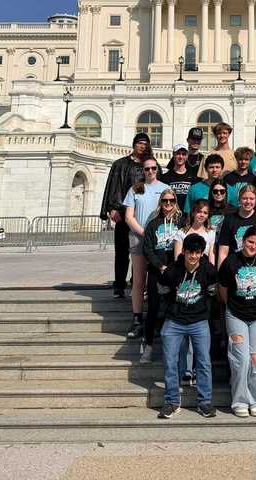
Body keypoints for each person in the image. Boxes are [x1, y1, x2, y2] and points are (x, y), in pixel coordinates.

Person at [218, 226, 256, 417]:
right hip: (236, 315)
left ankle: (255, 400)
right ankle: (240, 401)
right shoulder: (230, 262)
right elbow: (223, 289)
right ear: (243, 240)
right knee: (241, 359)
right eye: (250, 242)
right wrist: (234, 306)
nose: (253, 246)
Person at [157, 233, 217, 419]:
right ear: (183, 252)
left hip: (199, 321)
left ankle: (204, 402)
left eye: (197, 253)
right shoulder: (172, 270)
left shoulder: (209, 270)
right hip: (174, 321)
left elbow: (213, 292)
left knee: (204, 362)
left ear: (201, 253)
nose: (193, 256)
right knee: (170, 361)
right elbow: (162, 289)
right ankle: (172, 402)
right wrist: (171, 308)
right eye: (190, 252)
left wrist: (206, 311)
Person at [100, 132, 154, 298]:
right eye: (139, 142)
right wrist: (111, 208)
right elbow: (112, 186)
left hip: (141, 215)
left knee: (139, 252)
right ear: (134, 144)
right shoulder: (120, 164)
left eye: (145, 143)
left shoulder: (150, 164)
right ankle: (119, 285)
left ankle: (136, 284)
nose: (142, 146)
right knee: (122, 252)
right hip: (123, 214)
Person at [123, 157, 169, 339]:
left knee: (157, 280)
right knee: (139, 281)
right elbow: (128, 216)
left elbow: (170, 210)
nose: (150, 172)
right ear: (142, 170)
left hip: (160, 239)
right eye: (147, 169)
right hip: (139, 237)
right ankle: (136, 318)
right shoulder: (135, 188)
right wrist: (144, 233)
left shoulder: (164, 188)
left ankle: (157, 317)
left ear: (157, 169)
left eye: (153, 168)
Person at [142, 189, 182, 363]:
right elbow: (147, 248)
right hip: (156, 270)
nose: (168, 204)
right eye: (165, 201)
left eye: (171, 201)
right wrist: (160, 266)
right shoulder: (153, 224)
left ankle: (174, 351)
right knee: (153, 308)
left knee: (175, 309)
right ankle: (148, 345)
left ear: (175, 202)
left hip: (176, 271)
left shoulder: (181, 222)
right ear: (160, 202)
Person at [217, 185, 256, 266]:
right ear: (239, 199)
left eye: (251, 199)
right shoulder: (229, 220)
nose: (248, 202)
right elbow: (223, 252)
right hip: (235, 265)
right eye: (244, 198)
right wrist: (220, 274)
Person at [174, 200, 216, 264]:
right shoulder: (181, 233)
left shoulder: (211, 233)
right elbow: (177, 258)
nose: (202, 215)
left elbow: (211, 257)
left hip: (204, 271)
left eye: (205, 213)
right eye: (199, 212)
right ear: (193, 213)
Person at [161, 143, 196, 213]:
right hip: (170, 215)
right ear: (173, 155)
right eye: (178, 154)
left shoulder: (193, 177)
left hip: (188, 216)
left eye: (183, 154)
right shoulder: (165, 177)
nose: (181, 157)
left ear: (187, 156)